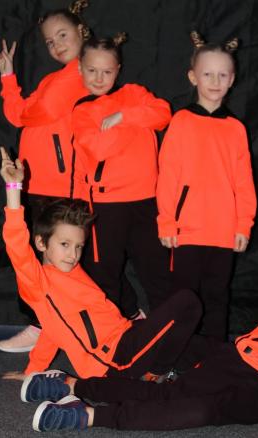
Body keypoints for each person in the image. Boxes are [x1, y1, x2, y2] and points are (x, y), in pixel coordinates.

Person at [19, 187, 258, 432]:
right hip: (247, 358)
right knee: (171, 393)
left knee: (201, 409)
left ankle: (77, 397)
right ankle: (81, 398)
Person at [0, 147, 201, 384]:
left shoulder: (71, 275)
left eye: (78, 246)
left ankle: (174, 374)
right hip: (115, 359)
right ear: (41, 243)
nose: (73, 254)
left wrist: (33, 370)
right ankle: (158, 372)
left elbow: (52, 331)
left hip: (128, 337)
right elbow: (16, 243)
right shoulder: (38, 282)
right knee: (186, 302)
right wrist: (13, 188)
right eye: (64, 244)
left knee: (206, 347)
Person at [0, 0, 90, 353]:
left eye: (62, 35)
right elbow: (17, 113)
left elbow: (34, 111)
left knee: (59, 261)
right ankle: (43, 324)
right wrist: (8, 77)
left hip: (62, 185)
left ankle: (44, 326)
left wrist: (25, 108)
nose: (56, 45)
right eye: (50, 41)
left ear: (81, 31)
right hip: (38, 183)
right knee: (39, 259)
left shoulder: (81, 72)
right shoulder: (53, 79)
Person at [156, 31, 257, 341]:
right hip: (187, 230)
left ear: (232, 80)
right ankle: (177, 353)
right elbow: (167, 175)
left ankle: (214, 355)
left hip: (223, 232)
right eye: (208, 74)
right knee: (183, 298)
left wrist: (243, 224)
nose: (215, 81)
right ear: (193, 77)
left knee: (217, 298)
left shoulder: (235, 128)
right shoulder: (181, 122)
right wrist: (167, 221)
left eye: (222, 75)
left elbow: (244, 181)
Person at [71, 34, 173, 321]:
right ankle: (119, 332)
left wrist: (123, 117)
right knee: (104, 275)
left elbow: (163, 114)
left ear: (118, 70)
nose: (99, 78)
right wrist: (138, 123)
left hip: (147, 201)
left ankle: (170, 334)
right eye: (92, 70)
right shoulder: (82, 110)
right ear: (80, 68)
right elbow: (99, 148)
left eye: (107, 71)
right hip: (106, 206)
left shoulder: (134, 93)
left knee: (158, 273)